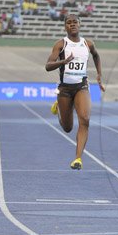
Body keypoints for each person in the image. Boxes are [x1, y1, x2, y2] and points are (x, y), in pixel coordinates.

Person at [45, 14, 105, 170]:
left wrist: (99, 74)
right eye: (69, 23)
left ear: (80, 24)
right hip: (64, 89)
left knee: (85, 119)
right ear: (65, 26)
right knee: (67, 128)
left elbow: (96, 56)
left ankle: (78, 159)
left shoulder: (88, 44)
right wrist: (63, 62)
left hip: (81, 86)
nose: (72, 24)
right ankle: (59, 106)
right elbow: (48, 65)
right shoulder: (61, 44)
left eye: (75, 22)